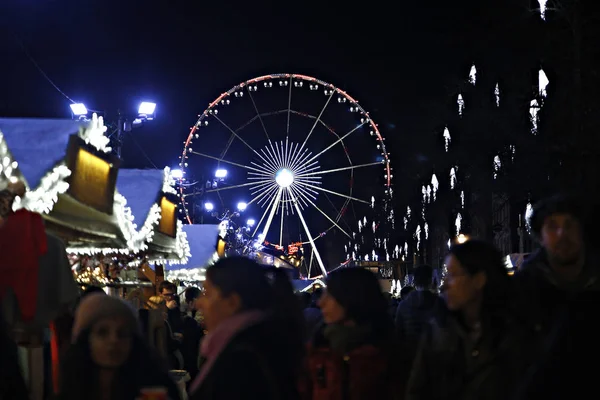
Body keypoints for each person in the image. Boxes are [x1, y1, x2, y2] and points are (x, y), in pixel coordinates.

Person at [406, 240, 530, 400]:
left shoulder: (516, 335)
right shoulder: (437, 332)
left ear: (479, 280)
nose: (444, 286)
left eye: (452, 275)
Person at [513, 194, 600, 398]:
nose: (562, 233)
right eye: (552, 226)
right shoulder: (521, 293)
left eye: (569, 225)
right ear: (540, 237)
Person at [188, 257, 304, 400]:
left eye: (207, 293)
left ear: (232, 302)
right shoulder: (263, 342)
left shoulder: (241, 362)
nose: (199, 303)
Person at [55, 293, 180, 400]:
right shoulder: (70, 392)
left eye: (122, 333)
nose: (114, 340)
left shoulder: (154, 389)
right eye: (102, 332)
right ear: (86, 340)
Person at [301, 268, 401, 400]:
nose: (320, 303)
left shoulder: (388, 356)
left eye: (329, 295)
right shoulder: (316, 350)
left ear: (350, 298)